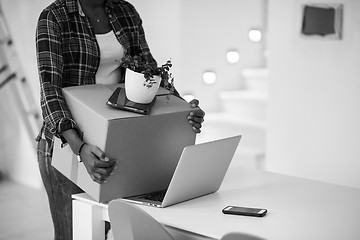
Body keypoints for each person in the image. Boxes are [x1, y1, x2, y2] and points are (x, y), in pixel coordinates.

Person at [35, 0, 205, 239]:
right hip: (67, 143)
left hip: (112, 138)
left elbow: (149, 71)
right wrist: (79, 147)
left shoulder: (124, 11)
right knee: (73, 234)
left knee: (101, 230)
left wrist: (182, 109)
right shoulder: (54, 17)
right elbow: (49, 89)